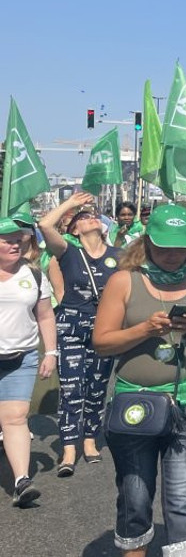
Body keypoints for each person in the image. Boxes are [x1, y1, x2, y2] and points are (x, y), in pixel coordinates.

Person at [93, 204, 186, 555]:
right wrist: (143, 329)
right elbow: (101, 343)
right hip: (134, 401)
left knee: (183, 494)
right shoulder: (124, 280)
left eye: (180, 246)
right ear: (147, 242)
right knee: (135, 494)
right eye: (163, 246)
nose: (172, 255)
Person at [37, 192, 122, 477]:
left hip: (105, 328)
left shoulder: (117, 256)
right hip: (71, 325)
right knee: (72, 388)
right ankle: (69, 446)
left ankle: (90, 440)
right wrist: (71, 205)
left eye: (93, 216)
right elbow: (45, 225)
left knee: (98, 387)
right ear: (74, 229)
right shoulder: (69, 252)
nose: (90, 218)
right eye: (83, 218)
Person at [0, 216, 56, 506]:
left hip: (20, 359)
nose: (15, 244)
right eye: (7, 239)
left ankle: (21, 480)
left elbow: (45, 315)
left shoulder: (33, 275)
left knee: (15, 418)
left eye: (17, 239)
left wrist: (50, 352)